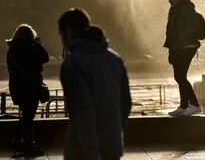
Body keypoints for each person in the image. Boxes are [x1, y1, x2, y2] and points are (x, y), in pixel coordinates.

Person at [58, 8, 132, 160]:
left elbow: (82, 109)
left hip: (82, 149)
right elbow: (126, 102)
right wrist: (114, 133)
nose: (61, 40)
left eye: (61, 35)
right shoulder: (115, 58)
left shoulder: (74, 62)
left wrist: (91, 151)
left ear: (69, 31)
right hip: (113, 146)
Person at [6, 24, 49, 156]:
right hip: (30, 87)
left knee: (26, 115)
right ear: (29, 37)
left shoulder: (12, 49)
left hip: (17, 87)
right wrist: (38, 45)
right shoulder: (28, 49)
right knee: (28, 117)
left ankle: (18, 141)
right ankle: (28, 145)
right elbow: (44, 58)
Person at [164, 0, 202, 116]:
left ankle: (194, 105)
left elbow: (189, 29)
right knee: (179, 76)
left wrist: (179, 41)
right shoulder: (175, 10)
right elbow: (170, 31)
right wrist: (171, 49)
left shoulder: (187, 9)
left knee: (180, 76)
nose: (169, 0)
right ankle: (184, 106)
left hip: (186, 47)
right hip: (177, 47)